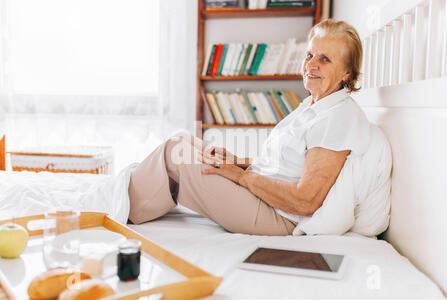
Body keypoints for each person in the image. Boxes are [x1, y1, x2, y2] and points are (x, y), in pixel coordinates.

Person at [128, 19, 377, 236]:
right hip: (264, 194)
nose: (311, 65)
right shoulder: (314, 106)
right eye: (310, 55)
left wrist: (242, 176)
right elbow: (285, 166)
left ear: (347, 73)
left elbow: (305, 200)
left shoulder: (336, 118)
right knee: (183, 140)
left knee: (175, 153)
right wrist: (240, 162)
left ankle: (118, 208)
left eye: (325, 59)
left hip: (279, 216)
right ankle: (131, 198)